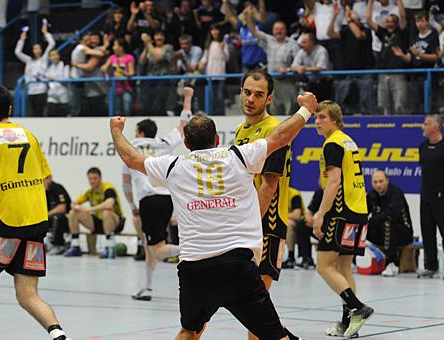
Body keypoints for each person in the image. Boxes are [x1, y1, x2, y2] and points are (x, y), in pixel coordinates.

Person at [110, 89, 317, 340]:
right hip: (237, 267)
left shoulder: (174, 166)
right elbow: (280, 137)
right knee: (275, 336)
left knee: (190, 331)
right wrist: (306, 109)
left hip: (194, 270)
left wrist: (116, 131)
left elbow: (132, 159)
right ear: (217, 139)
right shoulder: (239, 157)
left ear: (186, 145)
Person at [0, 85, 71, 340]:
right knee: (28, 294)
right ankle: (59, 334)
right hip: (36, 222)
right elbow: (46, 179)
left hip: (4, 225)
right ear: (10, 109)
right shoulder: (29, 135)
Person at [233, 69, 292, 340]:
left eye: (258, 94)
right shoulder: (241, 130)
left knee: (256, 305)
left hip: (266, 225)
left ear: (269, 98)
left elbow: (270, 185)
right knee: (253, 307)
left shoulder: (274, 131)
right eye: (247, 92)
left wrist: (248, 226)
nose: (251, 99)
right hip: (246, 224)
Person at [312, 100, 373, 338]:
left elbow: (334, 182)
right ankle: (349, 324)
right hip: (359, 209)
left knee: (323, 266)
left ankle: (358, 307)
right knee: (342, 267)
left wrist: (320, 214)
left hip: (341, 211)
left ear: (335, 120)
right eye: (316, 118)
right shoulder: (348, 141)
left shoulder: (333, 144)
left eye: (322, 118)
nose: (317, 122)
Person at [125, 87, 193, 301]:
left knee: (157, 249)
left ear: (141, 133)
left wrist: (132, 206)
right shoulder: (162, 144)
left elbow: (126, 185)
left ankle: (191, 250)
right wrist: (188, 98)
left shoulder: (131, 148)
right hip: (167, 199)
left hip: (149, 200)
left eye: (136, 131)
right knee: (149, 247)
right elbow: (183, 125)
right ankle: (147, 288)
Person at [64, 167, 125, 259]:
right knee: (73, 212)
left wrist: (89, 209)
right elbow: (74, 202)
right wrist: (75, 206)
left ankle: (109, 247)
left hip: (115, 223)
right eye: (90, 179)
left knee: (106, 212)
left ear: (100, 178)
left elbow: (109, 204)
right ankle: (75, 246)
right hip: (99, 223)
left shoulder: (108, 188)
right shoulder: (89, 191)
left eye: (95, 178)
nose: (92, 181)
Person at [245, 14, 299, 115]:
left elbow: (298, 63)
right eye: (276, 29)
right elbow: (254, 32)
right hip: (272, 82)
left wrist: (288, 70)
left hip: (288, 81)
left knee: (289, 111)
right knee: (274, 111)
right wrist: (248, 18)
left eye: (281, 29)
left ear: (285, 30)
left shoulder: (292, 43)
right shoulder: (269, 40)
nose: (279, 31)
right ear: (273, 31)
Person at [367, 170, 413, 277]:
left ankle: (392, 263)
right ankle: (356, 261)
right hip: (382, 232)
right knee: (361, 227)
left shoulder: (396, 193)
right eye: (375, 182)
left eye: (381, 181)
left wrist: (372, 221)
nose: (378, 185)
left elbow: (391, 215)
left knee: (386, 222)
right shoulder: (371, 195)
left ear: (387, 181)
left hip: (403, 232)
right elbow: (363, 212)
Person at [367, 0, 409, 115]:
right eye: (388, 21)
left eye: (392, 22)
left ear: (396, 24)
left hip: (398, 73)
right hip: (383, 73)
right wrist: (370, 2)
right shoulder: (383, 33)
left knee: (399, 106)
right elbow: (368, 20)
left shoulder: (401, 33)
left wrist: (399, 1)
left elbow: (403, 16)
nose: (390, 24)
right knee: (382, 106)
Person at [418, 114, 444, 278]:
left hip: (441, 195)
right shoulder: (422, 146)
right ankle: (431, 265)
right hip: (425, 194)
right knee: (427, 231)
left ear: (435, 127)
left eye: (426, 124)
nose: (423, 126)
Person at [14, 21, 56, 117]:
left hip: (41, 90)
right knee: (33, 114)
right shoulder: (29, 60)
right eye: (35, 49)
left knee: (40, 113)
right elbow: (17, 52)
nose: (37, 51)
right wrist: (22, 40)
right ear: (32, 50)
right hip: (31, 90)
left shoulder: (44, 59)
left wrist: (45, 33)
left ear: (41, 50)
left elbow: (52, 43)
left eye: (38, 48)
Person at [198, 24, 229, 116]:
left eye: (216, 30)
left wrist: (223, 49)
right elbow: (205, 57)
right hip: (210, 75)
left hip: (220, 74)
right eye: (212, 30)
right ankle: (212, 114)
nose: (214, 32)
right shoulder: (209, 44)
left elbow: (227, 58)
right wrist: (201, 64)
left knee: (220, 97)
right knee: (212, 96)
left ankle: (221, 114)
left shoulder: (223, 43)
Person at [101, 38, 135, 116]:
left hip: (126, 88)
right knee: (117, 111)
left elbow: (132, 73)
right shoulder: (112, 57)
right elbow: (105, 67)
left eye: (115, 45)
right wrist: (104, 68)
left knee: (127, 108)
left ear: (121, 47)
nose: (113, 47)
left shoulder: (129, 57)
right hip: (114, 88)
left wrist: (122, 72)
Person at [45, 176, 72, 256]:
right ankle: (45, 244)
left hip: (66, 220)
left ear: (49, 178)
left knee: (57, 217)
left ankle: (58, 245)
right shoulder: (43, 191)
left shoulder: (58, 188)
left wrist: (46, 214)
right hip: (51, 219)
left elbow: (62, 208)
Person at [282, 187, 305, 269]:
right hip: (282, 222)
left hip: (299, 226)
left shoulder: (294, 195)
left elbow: (297, 215)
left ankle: (291, 257)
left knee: (288, 224)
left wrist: (281, 216)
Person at [45, 49, 70, 117]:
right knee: (51, 114)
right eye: (52, 55)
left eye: (56, 54)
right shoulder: (50, 68)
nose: (55, 57)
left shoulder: (65, 65)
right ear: (50, 57)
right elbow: (46, 77)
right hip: (52, 94)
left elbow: (66, 79)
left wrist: (54, 78)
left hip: (63, 93)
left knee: (63, 115)